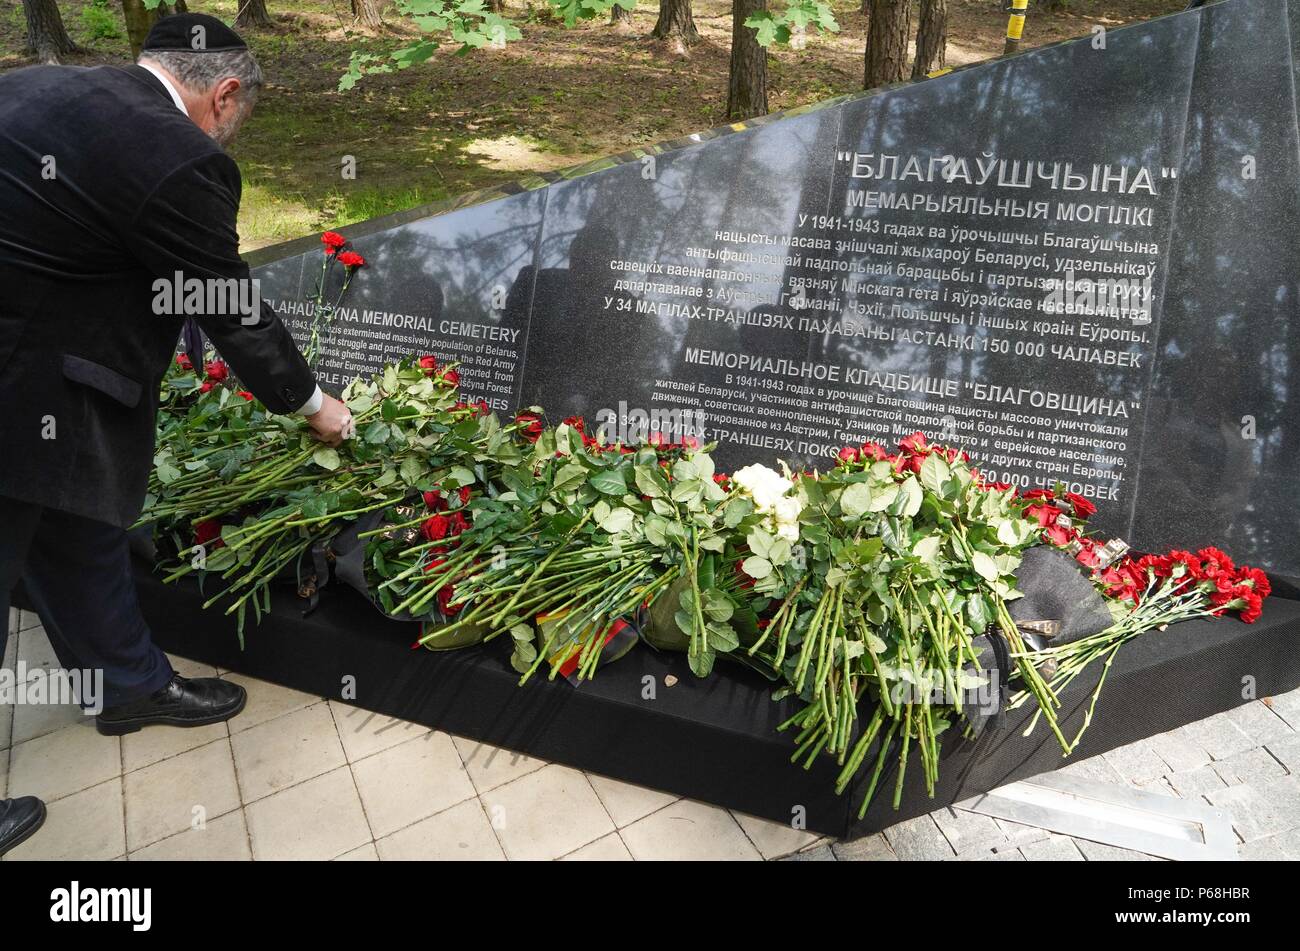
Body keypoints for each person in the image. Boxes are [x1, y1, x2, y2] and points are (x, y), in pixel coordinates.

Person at [0, 13, 352, 855]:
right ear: (225, 93)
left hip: (49, 367)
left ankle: (127, 685)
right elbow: (225, 302)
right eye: (241, 119)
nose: (234, 135)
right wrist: (311, 403)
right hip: (16, 385)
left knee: (79, 524)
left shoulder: (31, 83)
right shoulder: (178, 154)